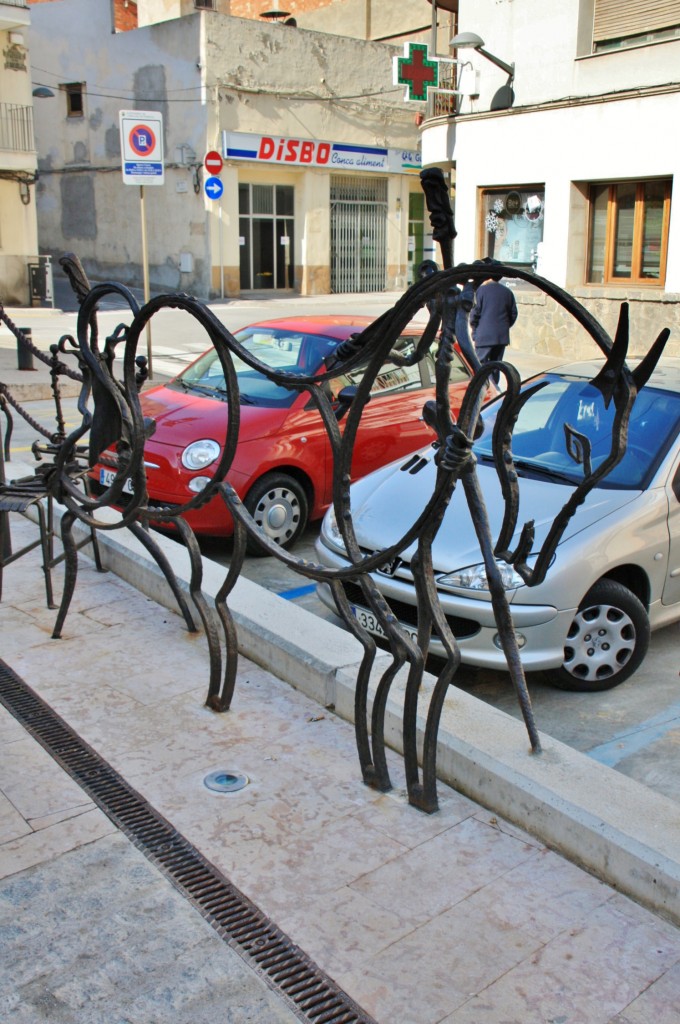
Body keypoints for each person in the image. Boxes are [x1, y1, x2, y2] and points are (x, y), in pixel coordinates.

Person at [469, 273, 518, 384]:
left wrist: (475, 331)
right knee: (496, 367)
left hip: (484, 335)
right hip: (501, 337)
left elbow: (474, 313)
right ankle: (494, 389)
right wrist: (504, 326)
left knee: (479, 366)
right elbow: (513, 313)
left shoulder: (481, 291)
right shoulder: (507, 292)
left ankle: (482, 390)